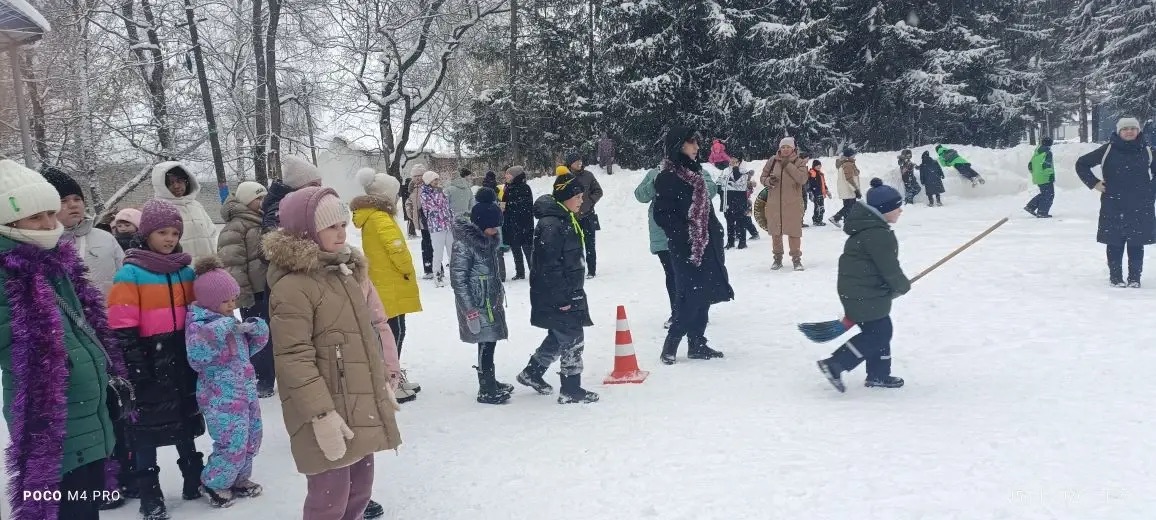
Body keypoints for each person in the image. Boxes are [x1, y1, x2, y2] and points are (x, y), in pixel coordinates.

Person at [263, 186, 402, 520]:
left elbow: (364, 337)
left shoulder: (344, 272)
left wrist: (380, 381)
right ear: (306, 232)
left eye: (343, 225)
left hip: (357, 403)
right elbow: (294, 358)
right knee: (329, 500)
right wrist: (322, 414)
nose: (341, 233)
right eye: (331, 227)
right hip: (325, 411)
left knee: (359, 492)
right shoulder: (293, 286)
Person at [0, 160, 128, 520]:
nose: (47, 224)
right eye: (34, 217)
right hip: (52, 424)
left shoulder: (54, 263)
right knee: (66, 509)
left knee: (85, 506)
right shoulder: (11, 272)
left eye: (49, 213)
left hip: (88, 414)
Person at [107, 198, 206, 520]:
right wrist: (135, 363)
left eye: (174, 233)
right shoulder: (130, 273)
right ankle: (150, 492)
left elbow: (198, 313)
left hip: (182, 354)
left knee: (185, 420)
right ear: (146, 233)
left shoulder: (185, 271)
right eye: (162, 232)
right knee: (146, 429)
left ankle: (193, 478)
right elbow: (122, 324)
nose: (169, 239)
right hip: (148, 358)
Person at [185, 256, 270, 508]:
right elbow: (198, 357)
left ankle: (239, 479)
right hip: (220, 396)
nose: (232, 305)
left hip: (245, 391)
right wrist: (221, 328)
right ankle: (215, 482)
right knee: (232, 441)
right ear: (210, 302)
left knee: (252, 436)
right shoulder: (199, 326)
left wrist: (257, 330)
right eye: (226, 301)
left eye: (234, 299)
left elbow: (247, 351)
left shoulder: (230, 320)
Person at [816, 178, 911, 393]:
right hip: (864, 294)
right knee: (879, 334)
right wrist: (901, 285)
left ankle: (878, 374)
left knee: (880, 331)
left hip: (860, 292)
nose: (900, 211)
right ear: (884, 209)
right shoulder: (878, 234)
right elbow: (889, 267)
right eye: (897, 207)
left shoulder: (870, 230)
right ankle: (835, 364)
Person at [516, 174, 599, 404]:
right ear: (565, 197)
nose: (581, 201)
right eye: (577, 197)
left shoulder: (564, 218)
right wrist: (563, 297)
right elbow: (548, 267)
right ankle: (571, 389)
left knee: (558, 333)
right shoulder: (552, 225)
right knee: (572, 337)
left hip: (565, 290)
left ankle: (532, 372)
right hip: (557, 294)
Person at [654, 127, 733, 365]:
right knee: (690, 296)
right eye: (692, 143)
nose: (697, 147)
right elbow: (662, 215)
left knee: (705, 294)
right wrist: (686, 235)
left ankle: (697, 343)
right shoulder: (667, 177)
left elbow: (705, 210)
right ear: (679, 146)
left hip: (706, 243)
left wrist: (714, 231)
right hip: (686, 247)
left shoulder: (695, 172)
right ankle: (671, 344)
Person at [353, 168, 423, 404]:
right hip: (390, 282)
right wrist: (406, 269)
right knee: (393, 333)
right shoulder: (380, 218)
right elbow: (396, 248)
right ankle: (390, 379)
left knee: (392, 331)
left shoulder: (373, 216)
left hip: (384, 281)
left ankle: (394, 374)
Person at [1075, 117, 1156, 288]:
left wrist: (1151, 191)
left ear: (1138, 131)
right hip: (1113, 204)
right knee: (1115, 243)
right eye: (1125, 129)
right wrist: (1094, 183)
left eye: (1133, 128)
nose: (1129, 131)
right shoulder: (1108, 150)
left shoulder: (1148, 150)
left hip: (1140, 206)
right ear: (1119, 132)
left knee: (1136, 243)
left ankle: (1135, 278)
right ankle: (1116, 277)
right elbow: (1081, 164)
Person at [636, 162, 718, 330]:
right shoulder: (655, 173)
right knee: (672, 274)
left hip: (691, 232)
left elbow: (712, 189)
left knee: (694, 273)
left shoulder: (695, 171)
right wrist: (655, 182)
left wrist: (692, 183)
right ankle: (678, 313)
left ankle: (698, 311)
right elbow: (640, 195)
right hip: (663, 234)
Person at [450, 188, 514, 404]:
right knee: (485, 343)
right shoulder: (464, 245)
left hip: (489, 301)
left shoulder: (488, 240)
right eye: (491, 226)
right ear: (479, 224)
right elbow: (458, 280)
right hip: (476, 304)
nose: (495, 230)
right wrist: (469, 310)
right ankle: (486, 389)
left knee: (490, 341)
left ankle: (490, 381)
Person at [218, 181, 274, 397]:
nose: (262, 202)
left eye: (264, 197)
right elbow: (233, 265)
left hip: (270, 288)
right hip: (253, 294)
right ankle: (262, 380)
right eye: (258, 198)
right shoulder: (235, 227)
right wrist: (244, 296)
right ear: (246, 200)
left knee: (274, 334)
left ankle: (273, 374)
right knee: (259, 337)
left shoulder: (263, 221)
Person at [43, 167, 125, 297]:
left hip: (108, 308)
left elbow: (126, 279)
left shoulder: (105, 238)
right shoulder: (42, 244)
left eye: (77, 199)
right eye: (63, 201)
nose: (73, 205)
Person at [150, 162, 219, 260]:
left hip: (206, 265)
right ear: (161, 186)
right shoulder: (158, 209)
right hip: (179, 267)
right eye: (170, 183)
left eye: (180, 181)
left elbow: (212, 233)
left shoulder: (196, 206)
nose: (176, 186)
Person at [760, 137, 809, 271]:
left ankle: (796, 259)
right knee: (776, 233)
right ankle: (777, 258)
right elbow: (762, 177)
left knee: (794, 233)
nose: (785, 149)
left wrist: (788, 165)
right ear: (779, 148)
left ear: (793, 148)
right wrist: (769, 181)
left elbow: (802, 179)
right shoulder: (772, 161)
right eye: (783, 147)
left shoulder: (799, 162)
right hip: (775, 204)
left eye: (788, 147)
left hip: (792, 204)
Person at [564, 152, 604, 278]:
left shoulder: (588, 175)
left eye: (580, 161)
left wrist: (589, 202)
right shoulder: (564, 178)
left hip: (588, 215)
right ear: (570, 164)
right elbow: (559, 195)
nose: (579, 163)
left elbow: (598, 191)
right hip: (572, 218)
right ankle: (577, 270)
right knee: (574, 246)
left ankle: (591, 270)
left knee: (590, 244)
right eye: (576, 161)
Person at [262, 155, 323, 233]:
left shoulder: (302, 204)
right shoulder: (280, 208)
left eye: (320, 185)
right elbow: (270, 236)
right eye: (313, 185)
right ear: (297, 185)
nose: (318, 189)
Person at [420, 170, 456, 286]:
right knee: (438, 253)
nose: (437, 181)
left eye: (437, 179)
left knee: (453, 252)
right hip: (436, 227)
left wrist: (452, 218)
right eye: (434, 179)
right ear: (428, 181)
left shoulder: (440, 191)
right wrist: (439, 194)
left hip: (447, 226)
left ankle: (456, 276)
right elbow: (434, 207)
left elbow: (447, 206)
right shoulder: (425, 194)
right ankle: (438, 276)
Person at [501, 166, 535, 280]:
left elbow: (524, 206)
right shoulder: (508, 188)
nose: (506, 176)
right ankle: (520, 272)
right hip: (512, 223)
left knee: (527, 249)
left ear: (514, 176)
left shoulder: (524, 188)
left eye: (508, 174)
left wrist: (508, 206)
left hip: (523, 224)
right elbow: (505, 203)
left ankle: (534, 271)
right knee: (516, 249)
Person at [405, 164, 435, 278]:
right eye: (415, 176)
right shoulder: (413, 189)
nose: (418, 178)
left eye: (420, 175)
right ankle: (429, 269)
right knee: (426, 244)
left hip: (429, 221)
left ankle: (434, 269)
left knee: (430, 245)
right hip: (421, 222)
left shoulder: (428, 187)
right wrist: (410, 212)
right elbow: (409, 202)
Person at [718, 153, 753, 249]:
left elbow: (740, 184)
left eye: (735, 160)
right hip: (727, 200)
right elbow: (719, 182)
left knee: (740, 222)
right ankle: (730, 242)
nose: (732, 161)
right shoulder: (725, 170)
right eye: (731, 159)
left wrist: (735, 169)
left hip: (739, 200)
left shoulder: (744, 171)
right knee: (729, 222)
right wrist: (721, 189)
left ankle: (742, 242)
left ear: (739, 162)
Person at [830, 147, 862, 227]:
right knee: (850, 206)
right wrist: (856, 190)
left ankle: (847, 222)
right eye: (853, 154)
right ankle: (835, 218)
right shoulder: (848, 164)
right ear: (849, 156)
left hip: (845, 189)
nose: (854, 156)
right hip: (849, 190)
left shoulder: (844, 163)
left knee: (848, 206)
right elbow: (849, 179)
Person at [1025, 137, 1057, 218]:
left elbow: (1030, 166)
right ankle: (1042, 212)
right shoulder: (1047, 153)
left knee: (1044, 194)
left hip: (1038, 177)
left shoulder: (1037, 153)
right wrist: (1050, 176)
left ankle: (1030, 207)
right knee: (1049, 195)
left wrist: (1036, 173)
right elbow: (1047, 166)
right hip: (1045, 177)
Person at [806, 160, 831, 226]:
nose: (819, 167)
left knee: (820, 207)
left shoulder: (820, 174)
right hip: (816, 193)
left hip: (821, 193)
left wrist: (827, 191)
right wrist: (811, 192)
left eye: (820, 165)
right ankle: (817, 220)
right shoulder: (812, 173)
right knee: (819, 207)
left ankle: (817, 220)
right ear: (814, 166)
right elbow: (809, 184)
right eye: (817, 165)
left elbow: (823, 184)